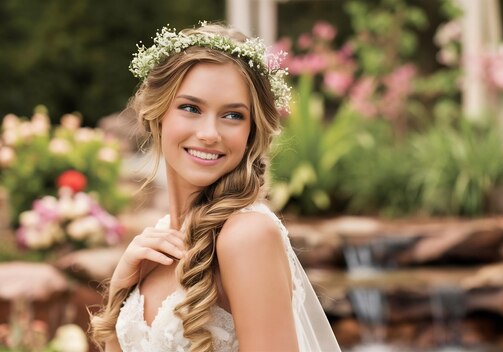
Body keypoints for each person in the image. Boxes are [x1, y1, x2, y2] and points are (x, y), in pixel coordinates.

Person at [90, 22, 341, 352]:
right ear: (158, 112)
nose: (210, 133)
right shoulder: (158, 241)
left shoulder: (247, 235)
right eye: (191, 108)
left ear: (252, 130)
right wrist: (121, 288)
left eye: (233, 115)